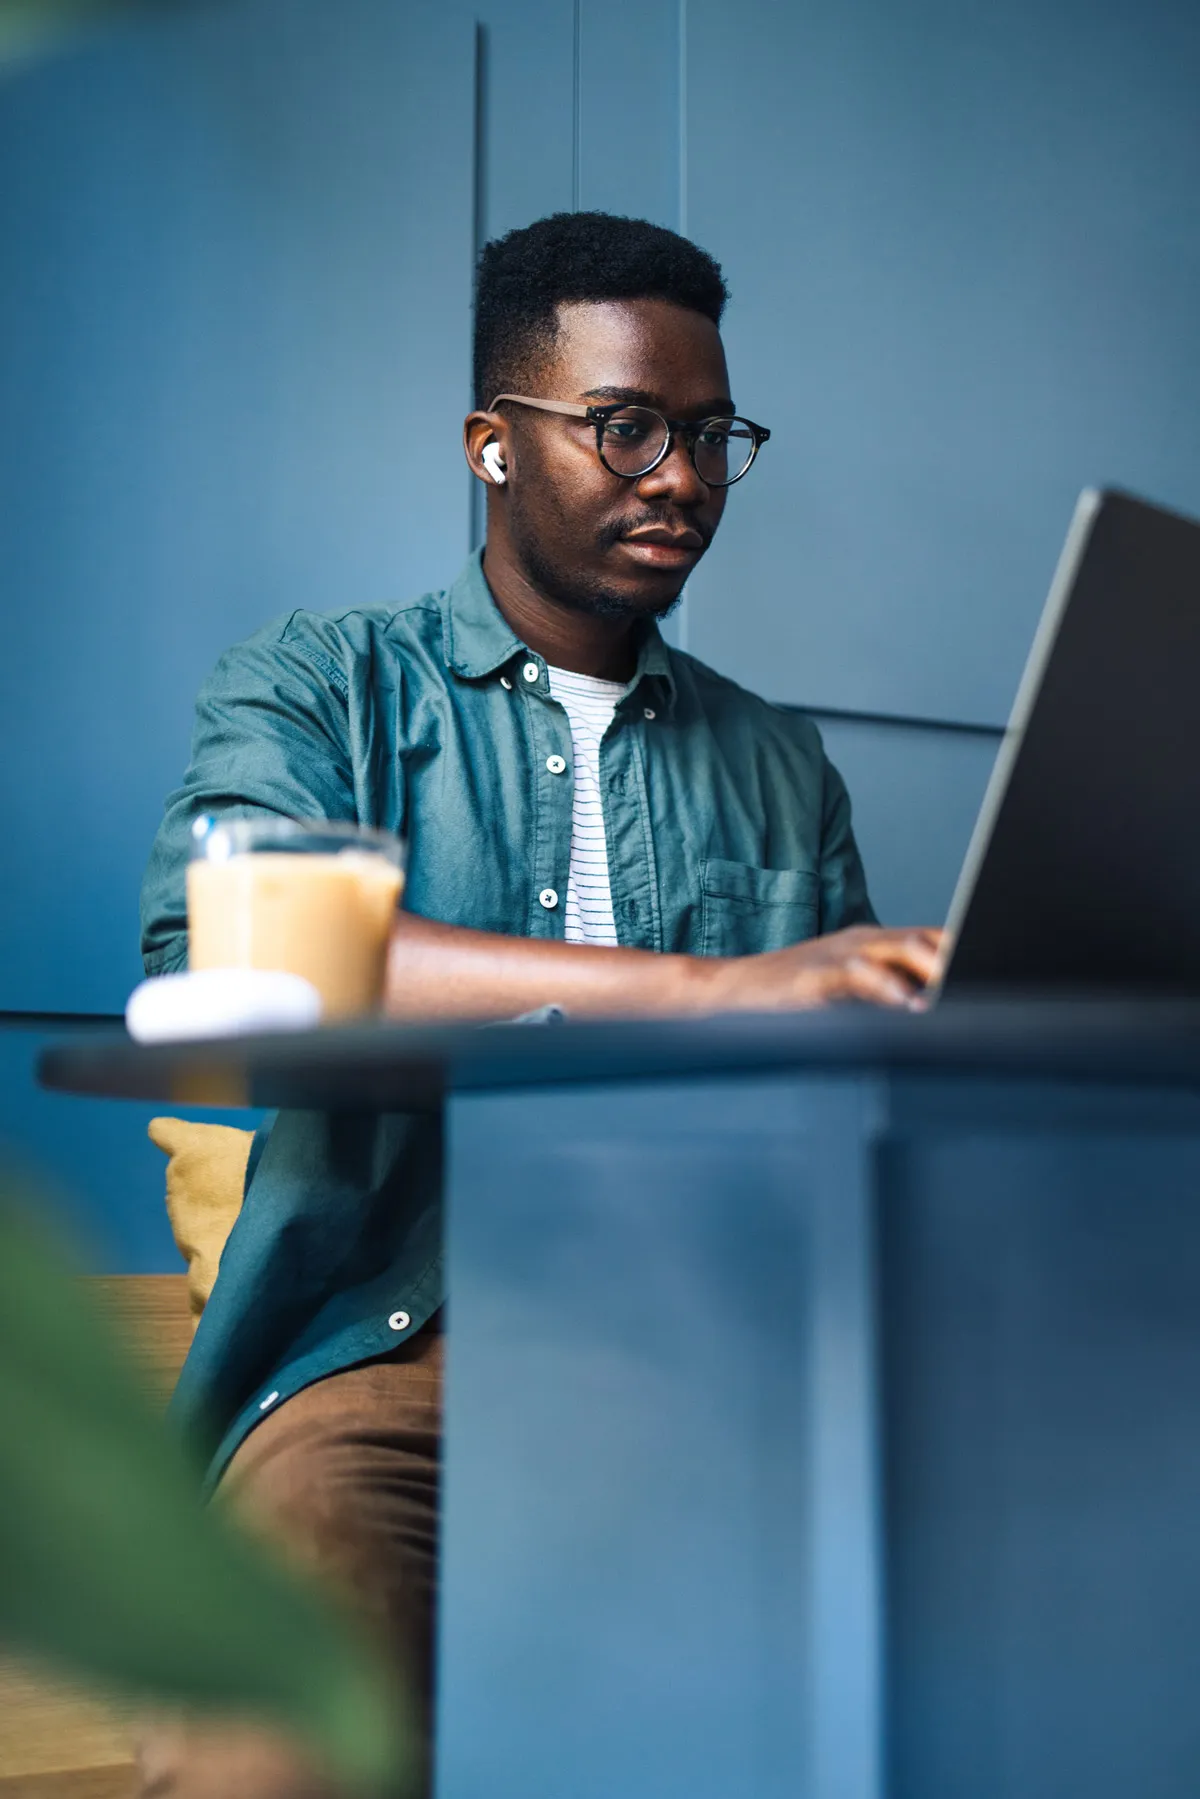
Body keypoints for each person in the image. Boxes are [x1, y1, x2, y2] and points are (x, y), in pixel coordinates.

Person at [137, 211, 940, 1796]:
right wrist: (712, 989)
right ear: (493, 445)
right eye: (627, 426)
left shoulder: (780, 762)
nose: (685, 478)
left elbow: (846, 1102)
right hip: (389, 1363)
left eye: (712, 435)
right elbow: (227, 957)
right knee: (276, 1734)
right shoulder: (323, 685)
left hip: (715, 1370)